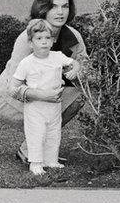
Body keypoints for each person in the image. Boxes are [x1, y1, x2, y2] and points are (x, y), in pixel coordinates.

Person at [0, 0, 87, 163]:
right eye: (53, 6)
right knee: (45, 108)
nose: (60, 12)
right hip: (10, 98)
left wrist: (79, 68)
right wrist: (43, 96)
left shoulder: (74, 37)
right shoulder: (26, 38)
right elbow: (13, 87)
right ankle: (32, 149)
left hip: (46, 94)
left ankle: (34, 148)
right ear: (43, 9)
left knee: (79, 96)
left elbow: (86, 69)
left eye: (65, 6)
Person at [10, 19, 80, 176]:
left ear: (53, 40)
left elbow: (75, 63)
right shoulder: (27, 63)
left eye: (47, 38)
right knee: (37, 134)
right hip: (35, 107)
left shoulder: (57, 57)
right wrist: (29, 93)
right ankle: (35, 163)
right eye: (39, 39)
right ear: (30, 42)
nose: (44, 42)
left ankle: (51, 160)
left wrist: (74, 70)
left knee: (53, 133)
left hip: (54, 107)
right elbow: (14, 86)